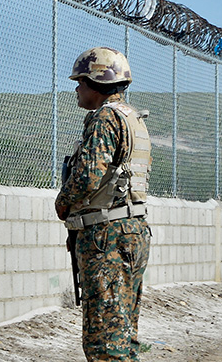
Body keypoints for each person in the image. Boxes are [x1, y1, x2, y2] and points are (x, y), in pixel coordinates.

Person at [55, 46, 152, 362]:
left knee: (105, 343)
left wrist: (63, 202)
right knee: (123, 335)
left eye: (80, 82)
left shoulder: (104, 118)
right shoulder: (132, 119)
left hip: (106, 236)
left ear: (97, 82)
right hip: (132, 229)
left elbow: (89, 175)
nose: (77, 88)